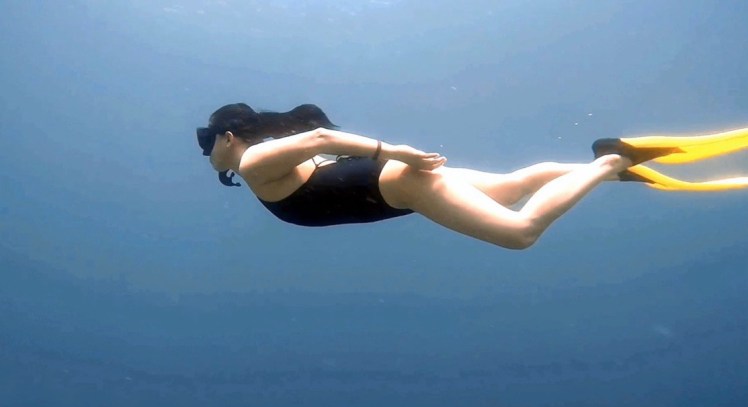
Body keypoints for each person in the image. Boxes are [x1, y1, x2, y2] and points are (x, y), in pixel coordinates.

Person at [196, 103, 748, 249]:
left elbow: (322, 139)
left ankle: (611, 161)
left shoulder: (252, 162)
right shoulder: (274, 158)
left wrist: (399, 152)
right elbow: (321, 147)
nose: (210, 159)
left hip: (401, 183)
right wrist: (398, 158)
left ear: (228, 137)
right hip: (398, 182)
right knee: (515, 185)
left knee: (520, 232)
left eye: (208, 147)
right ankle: (617, 168)